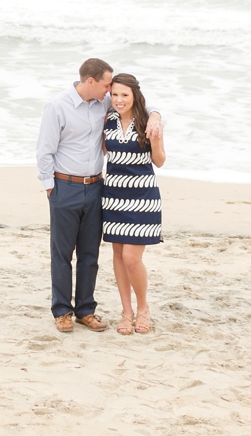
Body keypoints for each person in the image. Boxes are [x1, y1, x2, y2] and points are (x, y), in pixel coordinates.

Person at [35, 59, 162, 333]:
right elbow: (45, 150)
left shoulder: (103, 102)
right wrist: (50, 187)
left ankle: (85, 310)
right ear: (91, 82)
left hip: (97, 188)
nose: (111, 91)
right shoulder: (58, 106)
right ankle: (62, 311)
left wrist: (155, 115)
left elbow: (135, 103)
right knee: (62, 252)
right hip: (64, 186)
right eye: (107, 85)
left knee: (90, 254)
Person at [101, 72, 166, 335]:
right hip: (113, 196)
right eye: (114, 94)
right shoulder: (108, 119)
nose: (118, 99)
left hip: (142, 198)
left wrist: (156, 135)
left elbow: (159, 161)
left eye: (124, 95)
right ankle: (126, 312)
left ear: (135, 96)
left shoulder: (148, 122)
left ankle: (143, 308)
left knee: (131, 258)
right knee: (117, 255)